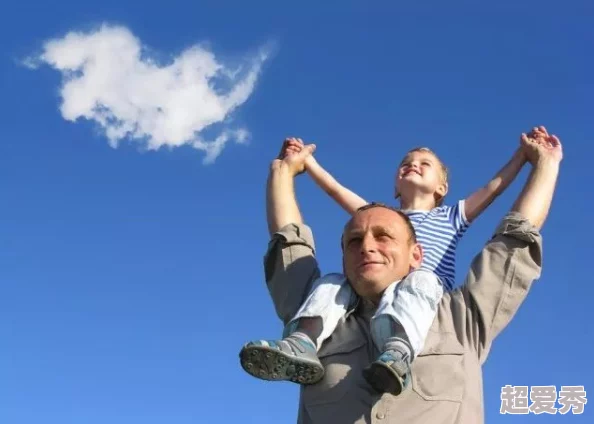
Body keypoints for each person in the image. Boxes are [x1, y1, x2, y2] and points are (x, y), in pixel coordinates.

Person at [240, 127, 561, 423]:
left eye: (384, 237)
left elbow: (514, 234)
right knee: (331, 283)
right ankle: (302, 341)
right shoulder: (322, 305)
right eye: (354, 240)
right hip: (339, 306)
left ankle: (400, 347)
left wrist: (534, 161)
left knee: (421, 280)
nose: (367, 246)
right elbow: (292, 238)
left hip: (428, 293)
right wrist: (290, 169)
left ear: (415, 252)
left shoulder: (462, 318)